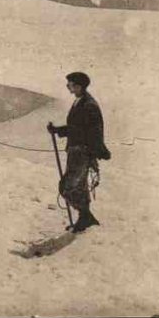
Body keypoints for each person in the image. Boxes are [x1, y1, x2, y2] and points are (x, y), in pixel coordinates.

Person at [47, 72, 110, 233]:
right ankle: (84, 219)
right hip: (76, 151)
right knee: (79, 187)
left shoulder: (88, 105)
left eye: (71, 84)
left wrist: (97, 151)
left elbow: (92, 131)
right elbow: (77, 128)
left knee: (67, 187)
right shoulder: (80, 102)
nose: (68, 86)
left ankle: (86, 216)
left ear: (79, 86)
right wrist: (58, 130)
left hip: (82, 152)